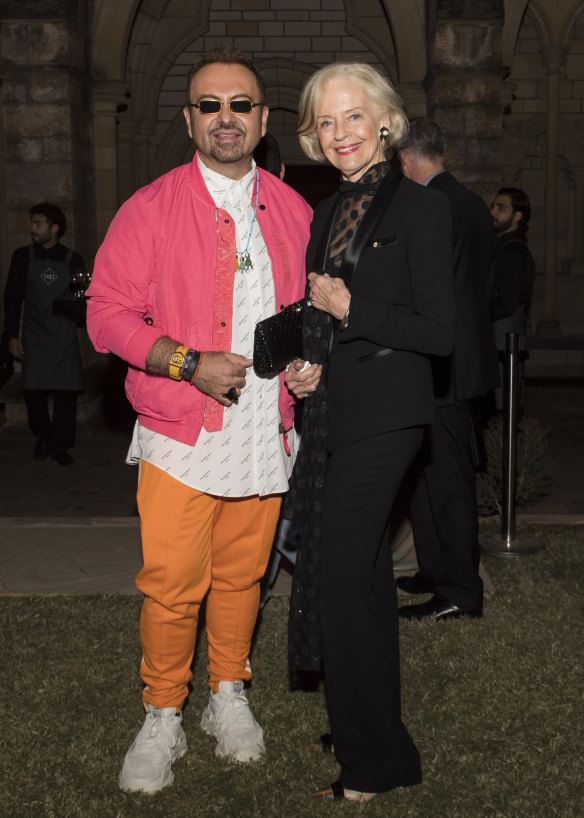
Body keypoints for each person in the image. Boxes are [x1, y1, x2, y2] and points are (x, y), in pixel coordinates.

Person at [86, 44, 312, 795]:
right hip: (184, 429)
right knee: (173, 584)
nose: (225, 119)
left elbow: (310, 313)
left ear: (262, 118)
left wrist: (314, 361)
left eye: (239, 105)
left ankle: (227, 693)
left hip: (264, 430)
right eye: (210, 106)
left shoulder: (294, 209)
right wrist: (186, 362)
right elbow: (107, 315)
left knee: (243, 576)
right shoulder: (149, 207)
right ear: (189, 119)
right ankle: (161, 712)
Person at [283, 64, 455, 801]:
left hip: (390, 413)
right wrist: (309, 365)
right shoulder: (328, 213)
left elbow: (439, 331)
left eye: (355, 117)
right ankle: (377, 737)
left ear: (385, 121)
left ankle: (370, 764)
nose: (342, 133)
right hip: (337, 410)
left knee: (342, 577)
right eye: (327, 122)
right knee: (361, 583)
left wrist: (354, 310)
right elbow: (321, 315)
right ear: (313, 136)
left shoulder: (420, 209)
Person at [396, 119, 499, 620]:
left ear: (406, 159)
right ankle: (435, 570)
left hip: (445, 366)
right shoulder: (473, 202)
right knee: (426, 474)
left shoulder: (433, 205)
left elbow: (422, 287)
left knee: (449, 481)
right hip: (460, 362)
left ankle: (460, 590)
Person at [3, 203, 84, 466]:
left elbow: (83, 300)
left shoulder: (73, 260)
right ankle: (43, 437)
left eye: (38, 224)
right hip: (34, 336)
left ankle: (61, 445)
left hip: (62, 338)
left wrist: (75, 309)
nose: (32, 229)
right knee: (33, 392)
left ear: (55, 228)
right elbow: (12, 298)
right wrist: (11, 335)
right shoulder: (22, 257)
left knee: (66, 394)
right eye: (32, 223)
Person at [488, 187, 535, 409]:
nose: (494, 211)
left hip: (502, 343)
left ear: (518, 215)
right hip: (496, 343)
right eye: (493, 206)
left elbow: (506, 302)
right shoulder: (500, 246)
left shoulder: (513, 252)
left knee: (503, 410)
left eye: (501, 207)